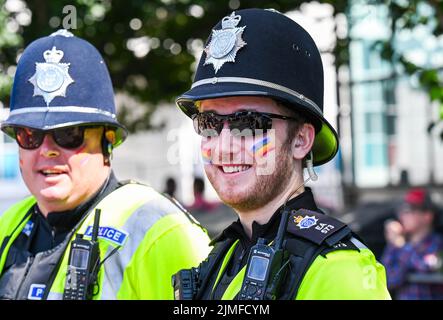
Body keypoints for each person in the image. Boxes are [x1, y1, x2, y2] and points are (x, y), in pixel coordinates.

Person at [173, 8, 390, 300]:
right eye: (209, 123)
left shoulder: (340, 271)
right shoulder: (222, 258)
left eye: (248, 122)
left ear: (301, 140)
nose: (223, 145)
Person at [0, 30, 210, 300]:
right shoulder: (10, 224)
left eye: (69, 134)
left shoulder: (158, 229)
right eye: (30, 136)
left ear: (107, 141)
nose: (47, 151)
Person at [381, 188, 443, 299]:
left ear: (427, 216)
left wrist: (401, 246)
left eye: (409, 210)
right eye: (402, 211)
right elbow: (387, 280)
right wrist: (395, 244)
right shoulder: (398, 243)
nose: (402, 216)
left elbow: (426, 266)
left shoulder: (438, 243)